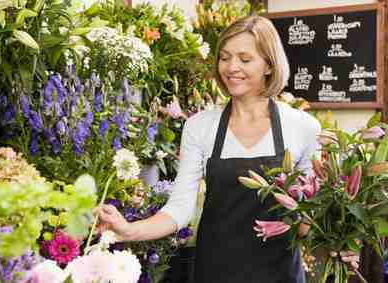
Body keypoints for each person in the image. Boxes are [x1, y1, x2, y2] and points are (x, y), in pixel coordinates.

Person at [97, 15, 325, 282]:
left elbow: (310, 218)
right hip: (216, 270)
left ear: (268, 65)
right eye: (225, 57)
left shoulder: (303, 127)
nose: (231, 67)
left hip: (279, 273)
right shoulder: (200, 127)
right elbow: (180, 209)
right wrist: (128, 230)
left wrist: (337, 241)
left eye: (245, 58)